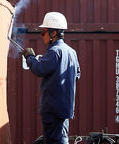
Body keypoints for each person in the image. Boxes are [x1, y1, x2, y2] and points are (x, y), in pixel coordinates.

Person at [23, 11, 80, 144]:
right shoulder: (71, 52)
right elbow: (76, 75)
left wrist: (29, 57)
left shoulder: (54, 52)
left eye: (44, 32)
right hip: (64, 108)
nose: (42, 36)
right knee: (61, 139)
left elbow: (39, 69)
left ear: (53, 33)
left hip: (52, 109)